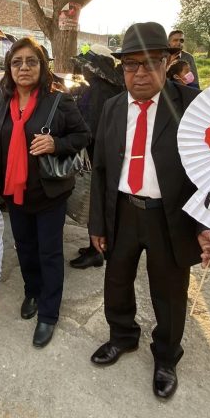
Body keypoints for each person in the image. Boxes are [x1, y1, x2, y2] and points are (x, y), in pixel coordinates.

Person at [88, 22, 210, 399]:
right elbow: (99, 169)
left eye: (150, 63)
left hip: (171, 215)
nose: (140, 73)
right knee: (116, 281)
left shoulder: (193, 107)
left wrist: (208, 224)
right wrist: (97, 222)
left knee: (169, 290)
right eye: (131, 65)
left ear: (168, 62)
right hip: (122, 211)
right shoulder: (112, 107)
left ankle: (166, 355)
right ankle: (122, 336)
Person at [0, 38, 90, 348]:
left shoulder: (58, 100)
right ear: (9, 68)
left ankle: (48, 313)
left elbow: (83, 135)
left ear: (42, 67)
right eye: (17, 62)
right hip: (13, 194)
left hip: (49, 194)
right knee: (25, 247)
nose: (24, 67)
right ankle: (32, 291)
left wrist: (57, 143)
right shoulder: (1, 101)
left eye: (32, 61)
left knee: (50, 252)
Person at [70, 44, 125, 269]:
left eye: (87, 66)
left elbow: (90, 126)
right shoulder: (105, 86)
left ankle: (97, 251)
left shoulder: (100, 89)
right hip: (105, 153)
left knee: (97, 203)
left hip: (97, 154)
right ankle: (96, 246)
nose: (84, 69)